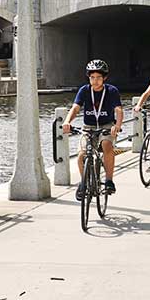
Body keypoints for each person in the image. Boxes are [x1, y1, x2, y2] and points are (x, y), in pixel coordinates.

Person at [62, 59, 123, 200]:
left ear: (104, 78)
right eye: (92, 77)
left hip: (106, 126)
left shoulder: (111, 91)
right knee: (81, 154)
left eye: (98, 78)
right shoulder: (84, 90)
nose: (95, 81)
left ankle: (108, 181)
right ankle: (83, 183)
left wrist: (117, 125)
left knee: (106, 145)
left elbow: (118, 110)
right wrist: (67, 121)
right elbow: (75, 108)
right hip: (88, 127)